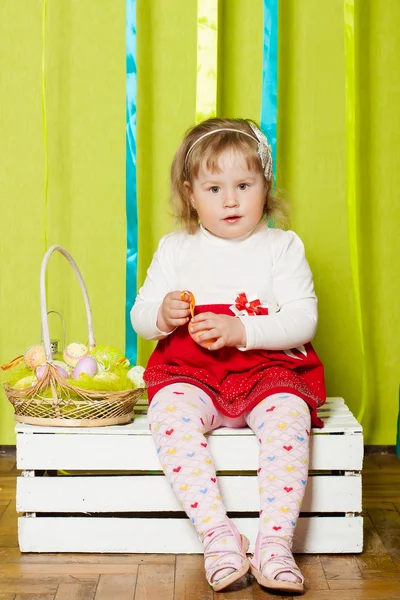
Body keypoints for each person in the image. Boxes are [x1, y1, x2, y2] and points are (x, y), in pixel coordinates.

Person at [131, 117, 326, 594]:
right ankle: (218, 535)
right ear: (190, 193)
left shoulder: (281, 247)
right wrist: (163, 313)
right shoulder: (177, 249)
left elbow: (303, 319)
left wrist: (243, 329)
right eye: (214, 188)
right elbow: (140, 317)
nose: (231, 200)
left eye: (244, 184)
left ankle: (275, 543)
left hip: (267, 372)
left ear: (266, 185)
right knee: (168, 413)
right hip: (191, 374)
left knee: (288, 419)